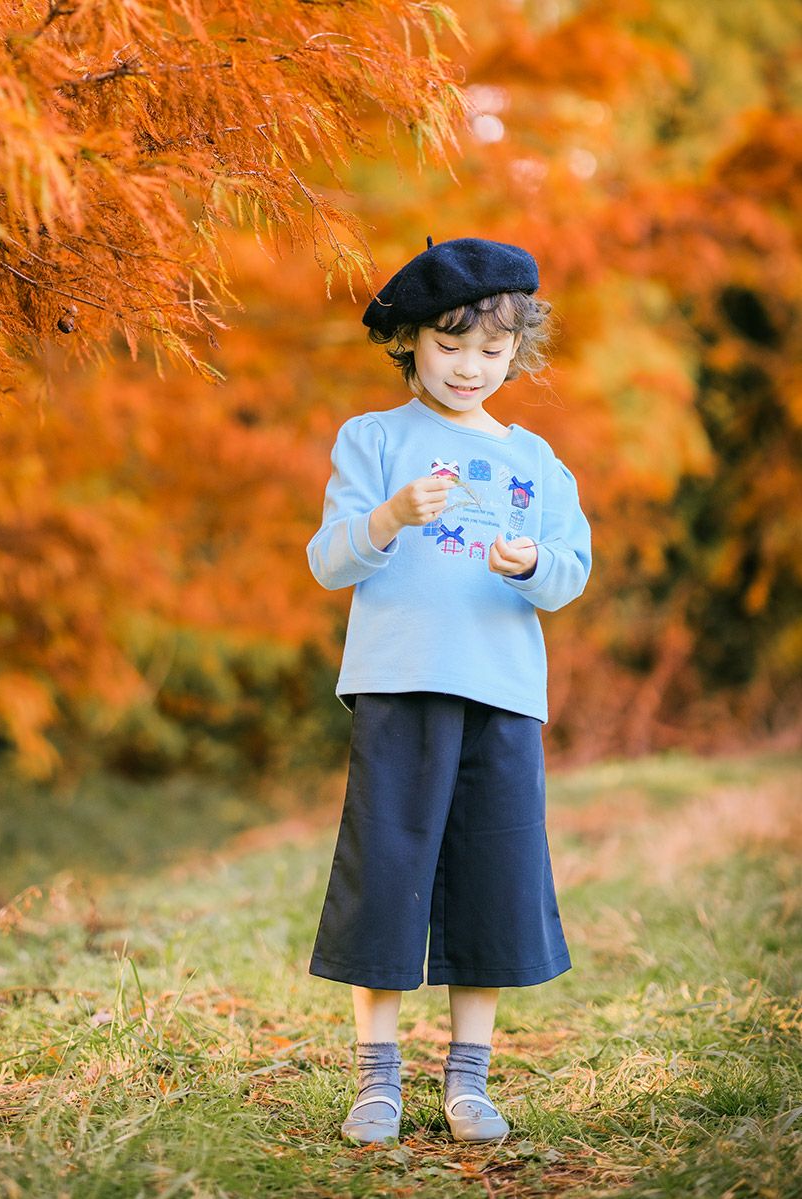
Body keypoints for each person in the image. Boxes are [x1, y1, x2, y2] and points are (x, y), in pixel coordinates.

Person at [306, 236, 592, 1146]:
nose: (470, 366)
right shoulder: (375, 439)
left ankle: (468, 1078)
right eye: (448, 344)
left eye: (492, 351)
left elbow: (572, 571)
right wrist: (388, 517)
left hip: (504, 693)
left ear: (517, 352)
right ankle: (376, 1079)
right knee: (386, 870)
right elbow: (326, 559)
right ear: (409, 342)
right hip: (398, 684)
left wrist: (535, 562)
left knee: (492, 877)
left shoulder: (537, 461)